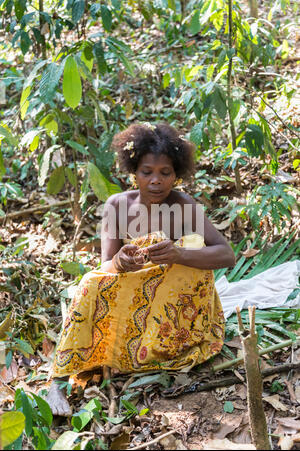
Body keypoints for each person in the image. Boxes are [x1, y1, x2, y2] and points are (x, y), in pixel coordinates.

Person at [46, 123, 235, 416]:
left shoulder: (184, 206)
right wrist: (120, 261)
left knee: (195, 247)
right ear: (134, 172)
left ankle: (155, 349)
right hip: (130, 292)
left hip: (169, 311)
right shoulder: (116, 206)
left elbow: (226, 255)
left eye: (165, 173)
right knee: (89, 281)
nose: (156, 181)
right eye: (147, 172)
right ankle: (57, 383)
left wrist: (179, 253)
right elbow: (105, 266)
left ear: (177, 174)